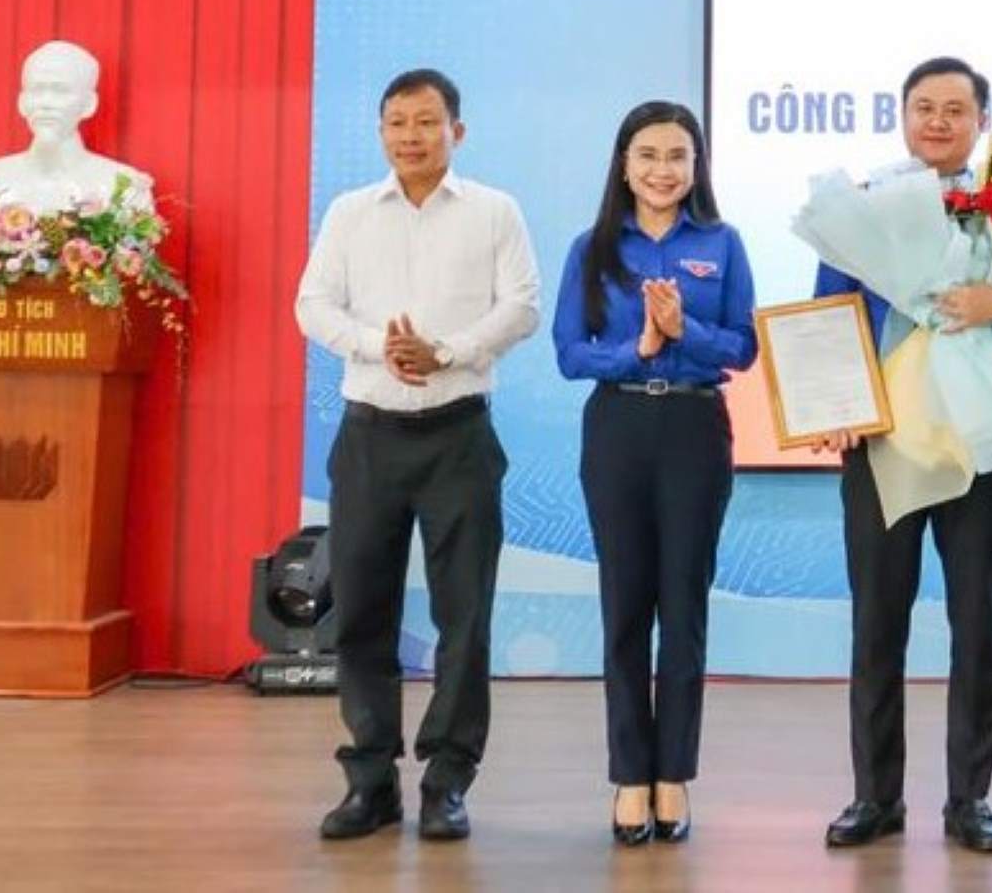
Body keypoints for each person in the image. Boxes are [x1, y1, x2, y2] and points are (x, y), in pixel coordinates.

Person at [814, 56, 992, 855]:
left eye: (954, 109)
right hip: (886, 438)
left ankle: (970, 800)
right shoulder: (863, 209)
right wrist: (835, 408)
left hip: (981, 441)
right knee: (877, 625)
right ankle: (875, 797)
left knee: (978, 625)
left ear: (979, 121)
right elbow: (830, 316)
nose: (936, 121)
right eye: (923, 106)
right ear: (903, 117)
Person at [294, 67, 540, 842]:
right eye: (397, 122)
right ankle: (370, 781)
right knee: (363, 611)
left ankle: (446, 779)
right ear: (381, 133)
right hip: (369, 434)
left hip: (459, 435)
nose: (411, 136)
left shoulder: (495, 211)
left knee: (463, 614)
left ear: (455, 132)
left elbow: (523, 305)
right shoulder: (348, 213)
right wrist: (381, 348)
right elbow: (312, 305)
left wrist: (450, 353)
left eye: (426, 122)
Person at [553, 101, 756, 846]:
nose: (662, 170)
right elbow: (571, 353)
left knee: (684, 609)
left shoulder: (723, 244)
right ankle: (629, 778)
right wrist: (636, 349)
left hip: (695, 430)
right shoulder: (594, 246)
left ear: (697, 166)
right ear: (623, 163)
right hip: (619, 427)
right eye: (648, 155)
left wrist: (683, 332)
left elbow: (742, 349)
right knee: (625, 607)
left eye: (678, 156)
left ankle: (673, 776)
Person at [0, 40, 154, 212]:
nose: (46, 103)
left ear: (89, 104)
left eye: (61, 91)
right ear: (22, 102)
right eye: (37, 90)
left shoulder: (125, 187)